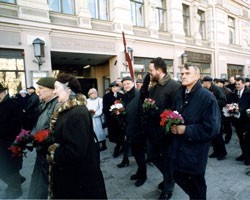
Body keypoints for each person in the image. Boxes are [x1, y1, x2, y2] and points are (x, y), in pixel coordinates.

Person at [47, 74, 107, 199]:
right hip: (76, 176)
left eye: (56, 87)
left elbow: (75, 152)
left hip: (79, 180)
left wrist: (53, 152)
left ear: (68, 89)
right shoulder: (70, 110)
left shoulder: (77, 113)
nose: (54, 91)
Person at [170, 65, 221, 199]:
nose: (183, 76)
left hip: (195, 151)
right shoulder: (180, 93)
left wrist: (186, 129)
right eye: (182, 73)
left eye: (187, 73)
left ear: (197, 76)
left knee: (197, 184)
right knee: (177, 175)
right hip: (178, 148)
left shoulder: (207, 97)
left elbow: (212, 128)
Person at [142, 57, 180, 200]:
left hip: (165, 132)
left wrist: (157, 111)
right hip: (152, 131)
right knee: (152, 155)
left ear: (159, 70)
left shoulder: (174, 86)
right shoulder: (154, 86)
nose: (150, 73)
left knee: (167, 159)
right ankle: (169, 176)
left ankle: (169, 185)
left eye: (151, 71)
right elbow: (146, 99)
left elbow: (175, 110)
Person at [28, 77, 60, 199]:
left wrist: (38, 139)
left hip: (48, 152)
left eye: (41, 88)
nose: (38, 91)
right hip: (41, 151)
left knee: (46, 186)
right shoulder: (45, 103)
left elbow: (54, 131)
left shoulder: (56, 104)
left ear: (53, 90)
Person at [121, 76, 147, 187]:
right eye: (124, 84)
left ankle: (143, 176)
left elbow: (143, 114)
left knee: (140, 154)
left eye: (128, 83)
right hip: (129, 129)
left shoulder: (139, 95)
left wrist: (141, 130)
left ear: (133, 83)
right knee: (136, 154)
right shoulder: (125, 96)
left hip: (139, 131)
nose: (126, 85)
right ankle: (139, 172)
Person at [0, 83, 25, 199]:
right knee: (6, 167)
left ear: (2, 93)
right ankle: (17, 179)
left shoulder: (13, 104)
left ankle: (15, 190)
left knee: (9, 168)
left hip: (10, 143)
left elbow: (15, 124)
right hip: (3, 142)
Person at [202, 76, 227, 160]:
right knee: (213, 134)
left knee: (218, 134)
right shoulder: (206, 89)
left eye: (204, 83)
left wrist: (213, 101)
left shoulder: (217, 89)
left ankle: (222, 153)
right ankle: (216, 151)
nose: (203, 84)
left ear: (208, 83)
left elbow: (223, 100)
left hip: (217, 114)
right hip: (209, 115)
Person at [103, 81, 124, 158]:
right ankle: (119, 146)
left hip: (120, 120)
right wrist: (111, 115)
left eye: (117, 87)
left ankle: (118, 149)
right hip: (112, 120)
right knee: (113, 136)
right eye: (114, 87)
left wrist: (121, 113)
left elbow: (124, 106)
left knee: (121, 135)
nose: (116, 88)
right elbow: (105, 109)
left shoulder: (121, 95)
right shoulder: (106, 96)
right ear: (111, 88)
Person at [233, 77, 250, 165]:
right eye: (236, 84)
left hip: (247, 121)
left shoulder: (249, 92)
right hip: (237, 120)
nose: (237, 86)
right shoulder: (235, 92)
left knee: (247, 140)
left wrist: (241, 109)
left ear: (243, 84)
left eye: (239, 84)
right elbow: (233, 102)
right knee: (241, 139)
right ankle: (244, 154)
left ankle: (248, 158)